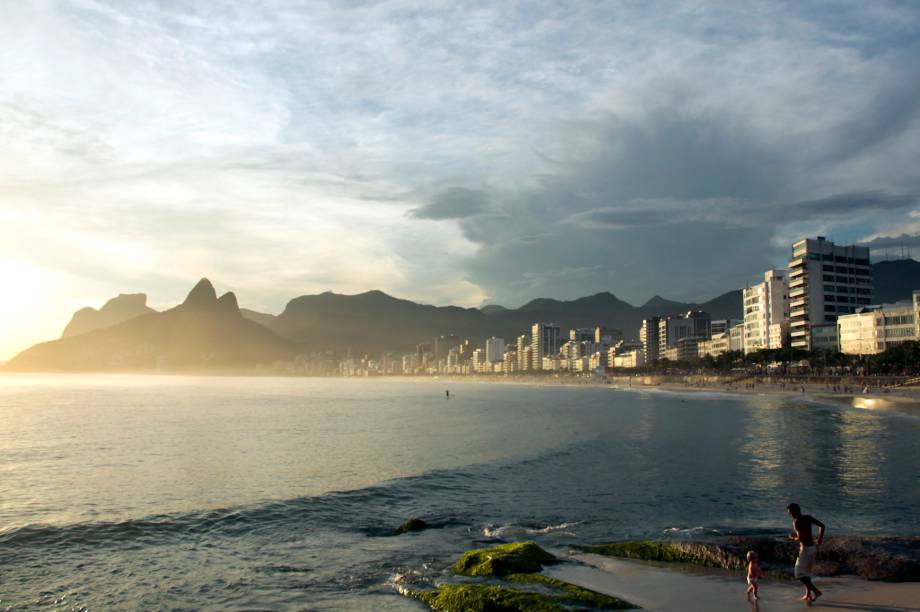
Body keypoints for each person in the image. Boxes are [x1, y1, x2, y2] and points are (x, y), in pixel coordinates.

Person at [787, 502, 825, 602]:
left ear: (795, 512)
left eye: (790, 512)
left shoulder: (796, 522)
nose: (789, 514)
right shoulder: (807, 517)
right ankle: (807, 594)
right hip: (813, 548)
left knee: (799, 574)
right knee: (806, 573)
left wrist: (792, 538)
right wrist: (820, 539)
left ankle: (816, 592)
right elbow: (822, 526)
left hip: (806, 550)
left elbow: (800, 538)